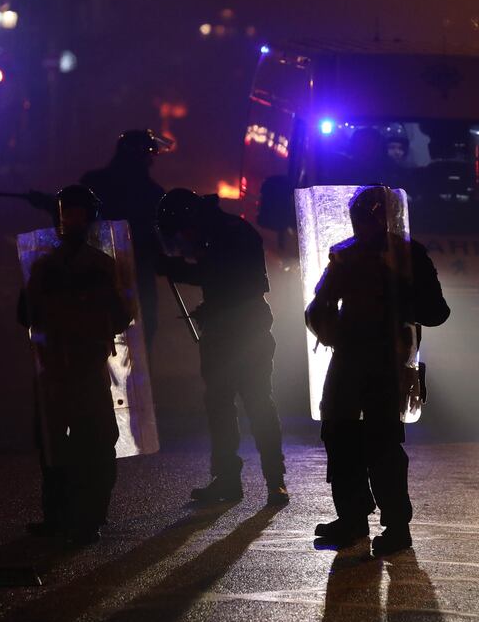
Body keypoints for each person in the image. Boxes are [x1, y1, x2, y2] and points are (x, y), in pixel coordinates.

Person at [305, 185, 450, 556]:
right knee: (338, 435)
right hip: (350, 356)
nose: (366, 226)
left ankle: (396, 524)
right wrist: (333, 331)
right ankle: (352, 518)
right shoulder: (346, 255)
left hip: (388, 359)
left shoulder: (408, 256)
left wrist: (398, 285)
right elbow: (318, 305)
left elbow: (436, 312)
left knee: (383, 443)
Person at [156, 189, 288, 506]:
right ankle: (239, 479)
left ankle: (268, 480)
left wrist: (171, 267)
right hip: (231, 325)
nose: (184, 240)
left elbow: (216, 273)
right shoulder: (223, 229)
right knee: (227, 403)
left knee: (250, 401)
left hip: (242, 328)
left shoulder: (227, 234)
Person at [20, 185, 133, 545]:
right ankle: (67, 517)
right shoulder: (54, 266)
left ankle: (83, 518)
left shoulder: (93, 266)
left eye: (77, 213)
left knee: (92, 444)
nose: (72, 220)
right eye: (68, 213)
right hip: (60, 367)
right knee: (60, 446)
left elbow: (120, 317)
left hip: (79, 367)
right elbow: (26, 314)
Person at [81, 130, 167, 351]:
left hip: (98, 274)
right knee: (141, 338)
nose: (151, 161)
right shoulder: (153, 192)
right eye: (149, 155)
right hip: (136, 277)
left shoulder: (93, 182)